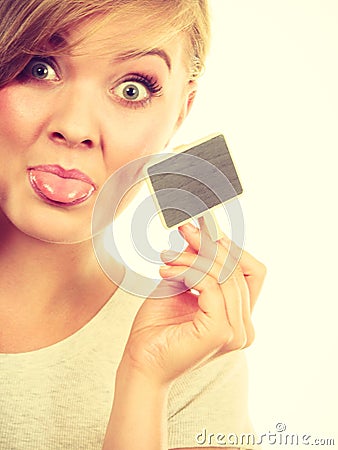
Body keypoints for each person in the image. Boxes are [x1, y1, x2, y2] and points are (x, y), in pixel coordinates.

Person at [0, 1, 266, 449]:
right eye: (39, 68)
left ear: (182, 110)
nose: (75, 127)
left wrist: (145, 382)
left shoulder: (192, 350)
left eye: (131, 89)